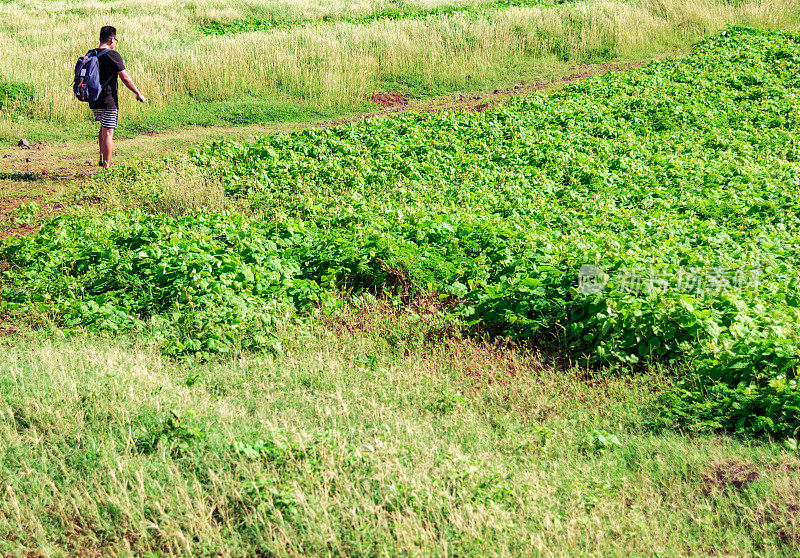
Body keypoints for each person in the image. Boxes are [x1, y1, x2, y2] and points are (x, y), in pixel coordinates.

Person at [88, 26, 146, 169]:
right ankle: (106, 168)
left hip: (94, 99)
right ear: (111, 39)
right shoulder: (112, 55)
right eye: (115, 40)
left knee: (103, 128)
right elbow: (125, 78)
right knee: (108, 132)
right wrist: (138, 93)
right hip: (108, 100)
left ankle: (102, 157)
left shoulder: (91, 53)